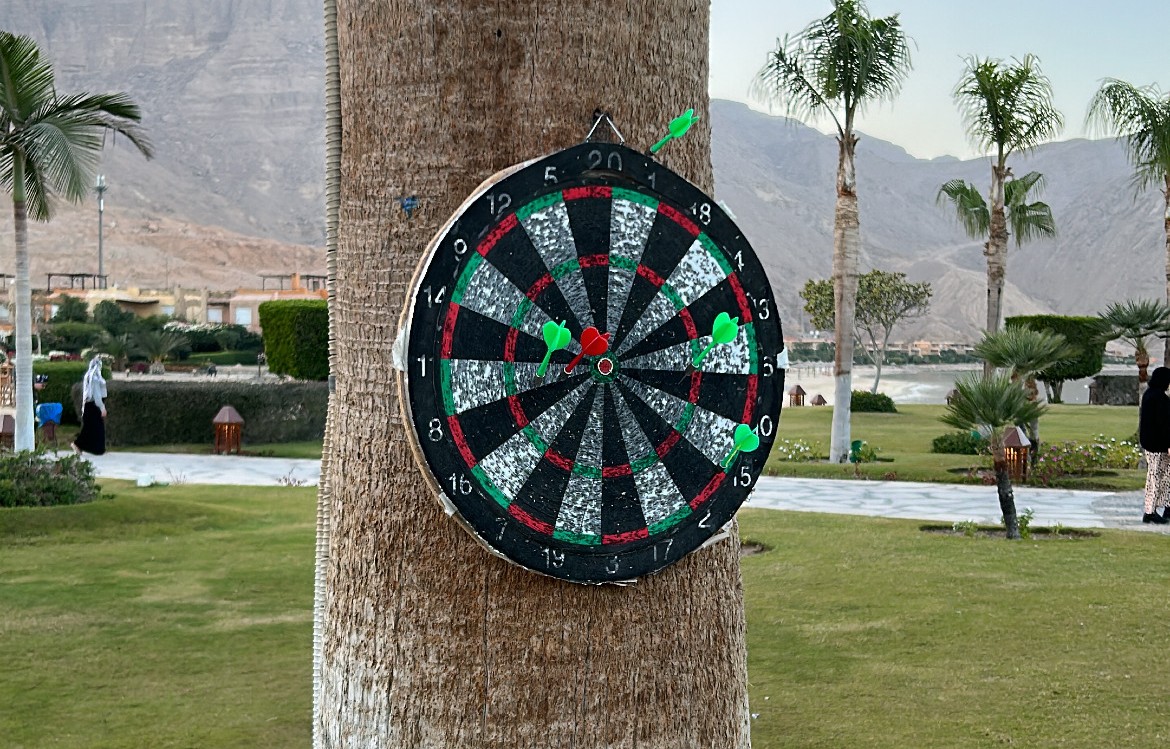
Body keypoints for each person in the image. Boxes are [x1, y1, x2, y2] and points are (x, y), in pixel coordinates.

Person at [1139, 366, 1170, 523]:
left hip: (1151, 444)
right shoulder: (1160, 399)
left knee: (1163, 476)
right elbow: (1164, 425)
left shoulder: (1149, 395)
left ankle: (1165, 506)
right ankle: (1150, 511)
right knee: (1156, 477)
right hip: (1158, 446)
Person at [71, 356, 107, 456]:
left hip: (91, 405)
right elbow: (96, 394)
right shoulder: (94, 378)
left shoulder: (90, 376)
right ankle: (78, 444)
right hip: (94, 405)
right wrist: (102, 408)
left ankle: (96, 448)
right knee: (91, 428)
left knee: (94, 428)